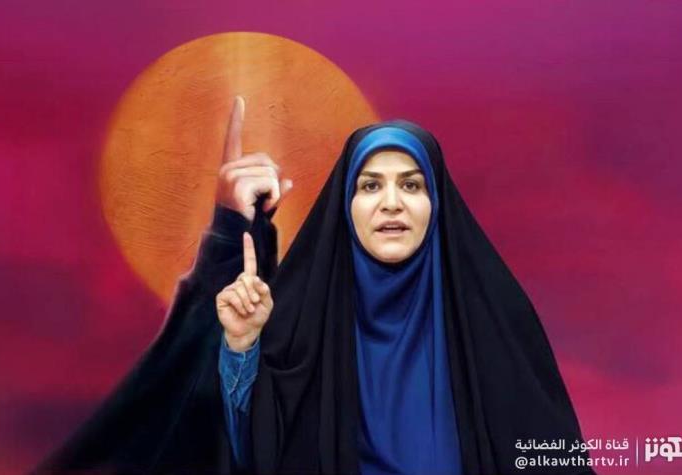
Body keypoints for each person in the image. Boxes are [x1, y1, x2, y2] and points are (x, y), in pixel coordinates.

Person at [32, 96, 592, 475]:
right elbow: (244, 452)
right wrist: (242, 348)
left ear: (437, 204)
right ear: (345, 206)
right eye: (369, 185)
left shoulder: (498, 325)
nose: (391, 203)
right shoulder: (301, 326)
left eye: (411, 185)